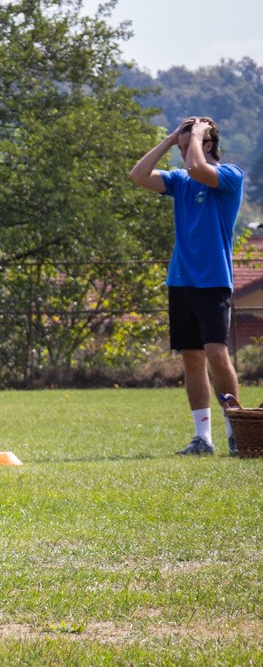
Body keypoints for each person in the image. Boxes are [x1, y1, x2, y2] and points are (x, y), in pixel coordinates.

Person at [129, 115, 247, 454]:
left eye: (189, 147)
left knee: (216, 354)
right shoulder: (180, 181)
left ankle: (235, 431)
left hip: (213, 281)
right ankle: (202, 438)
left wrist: (196, 134)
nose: (183, 155)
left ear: (208, 143)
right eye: (180, 149)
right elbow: (137, 175)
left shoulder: (229, 176)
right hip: (181, 280)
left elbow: (198, 167)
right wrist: (170, 139)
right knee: (192, 359)